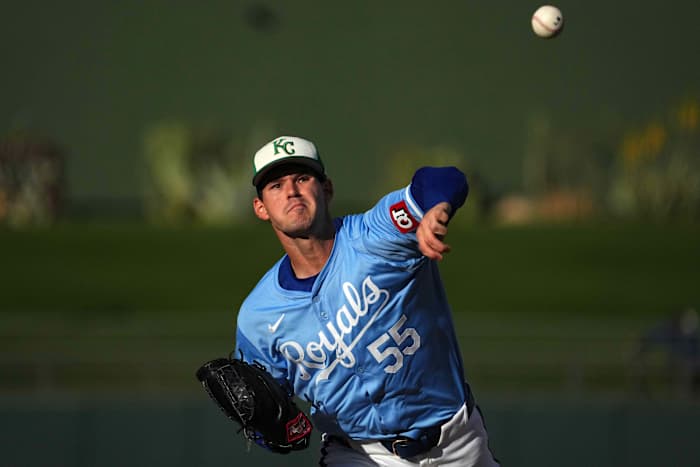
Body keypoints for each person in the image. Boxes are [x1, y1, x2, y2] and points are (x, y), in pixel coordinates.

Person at [234, 135, 499, 466]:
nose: (292, 191)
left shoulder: (378, 236)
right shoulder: (257, 318)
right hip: (358, 454)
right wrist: (270, 427)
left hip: (457, 443)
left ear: (327, 188)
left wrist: (438, 207)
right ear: (261, 207)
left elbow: (443, 179)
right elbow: (269, 418)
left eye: (302, 178)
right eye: (275, 185)